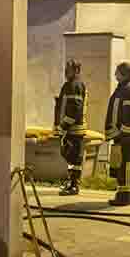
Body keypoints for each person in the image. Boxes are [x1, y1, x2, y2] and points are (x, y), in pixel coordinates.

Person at [104, 61, 130, 206]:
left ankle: (124, 195)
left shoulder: (129, 89)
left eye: (117, 72)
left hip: (129, 133)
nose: (115, 74)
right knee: (129, 160)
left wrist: (122, 132)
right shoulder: (127, 87)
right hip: (129, 132)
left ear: (124, 74)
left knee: (125, 162)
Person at [57, 59, 88, 196]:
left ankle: (74, 185)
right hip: (72, 129)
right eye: (65, 69)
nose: (65, 72)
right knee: (70, 158)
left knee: (74, 159)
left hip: (74, 129)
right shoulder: (71, 84)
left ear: (76, 70)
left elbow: (74, 109)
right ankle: (72, 183)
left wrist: (63, 126)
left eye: (68, 69)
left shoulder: (74, 85)